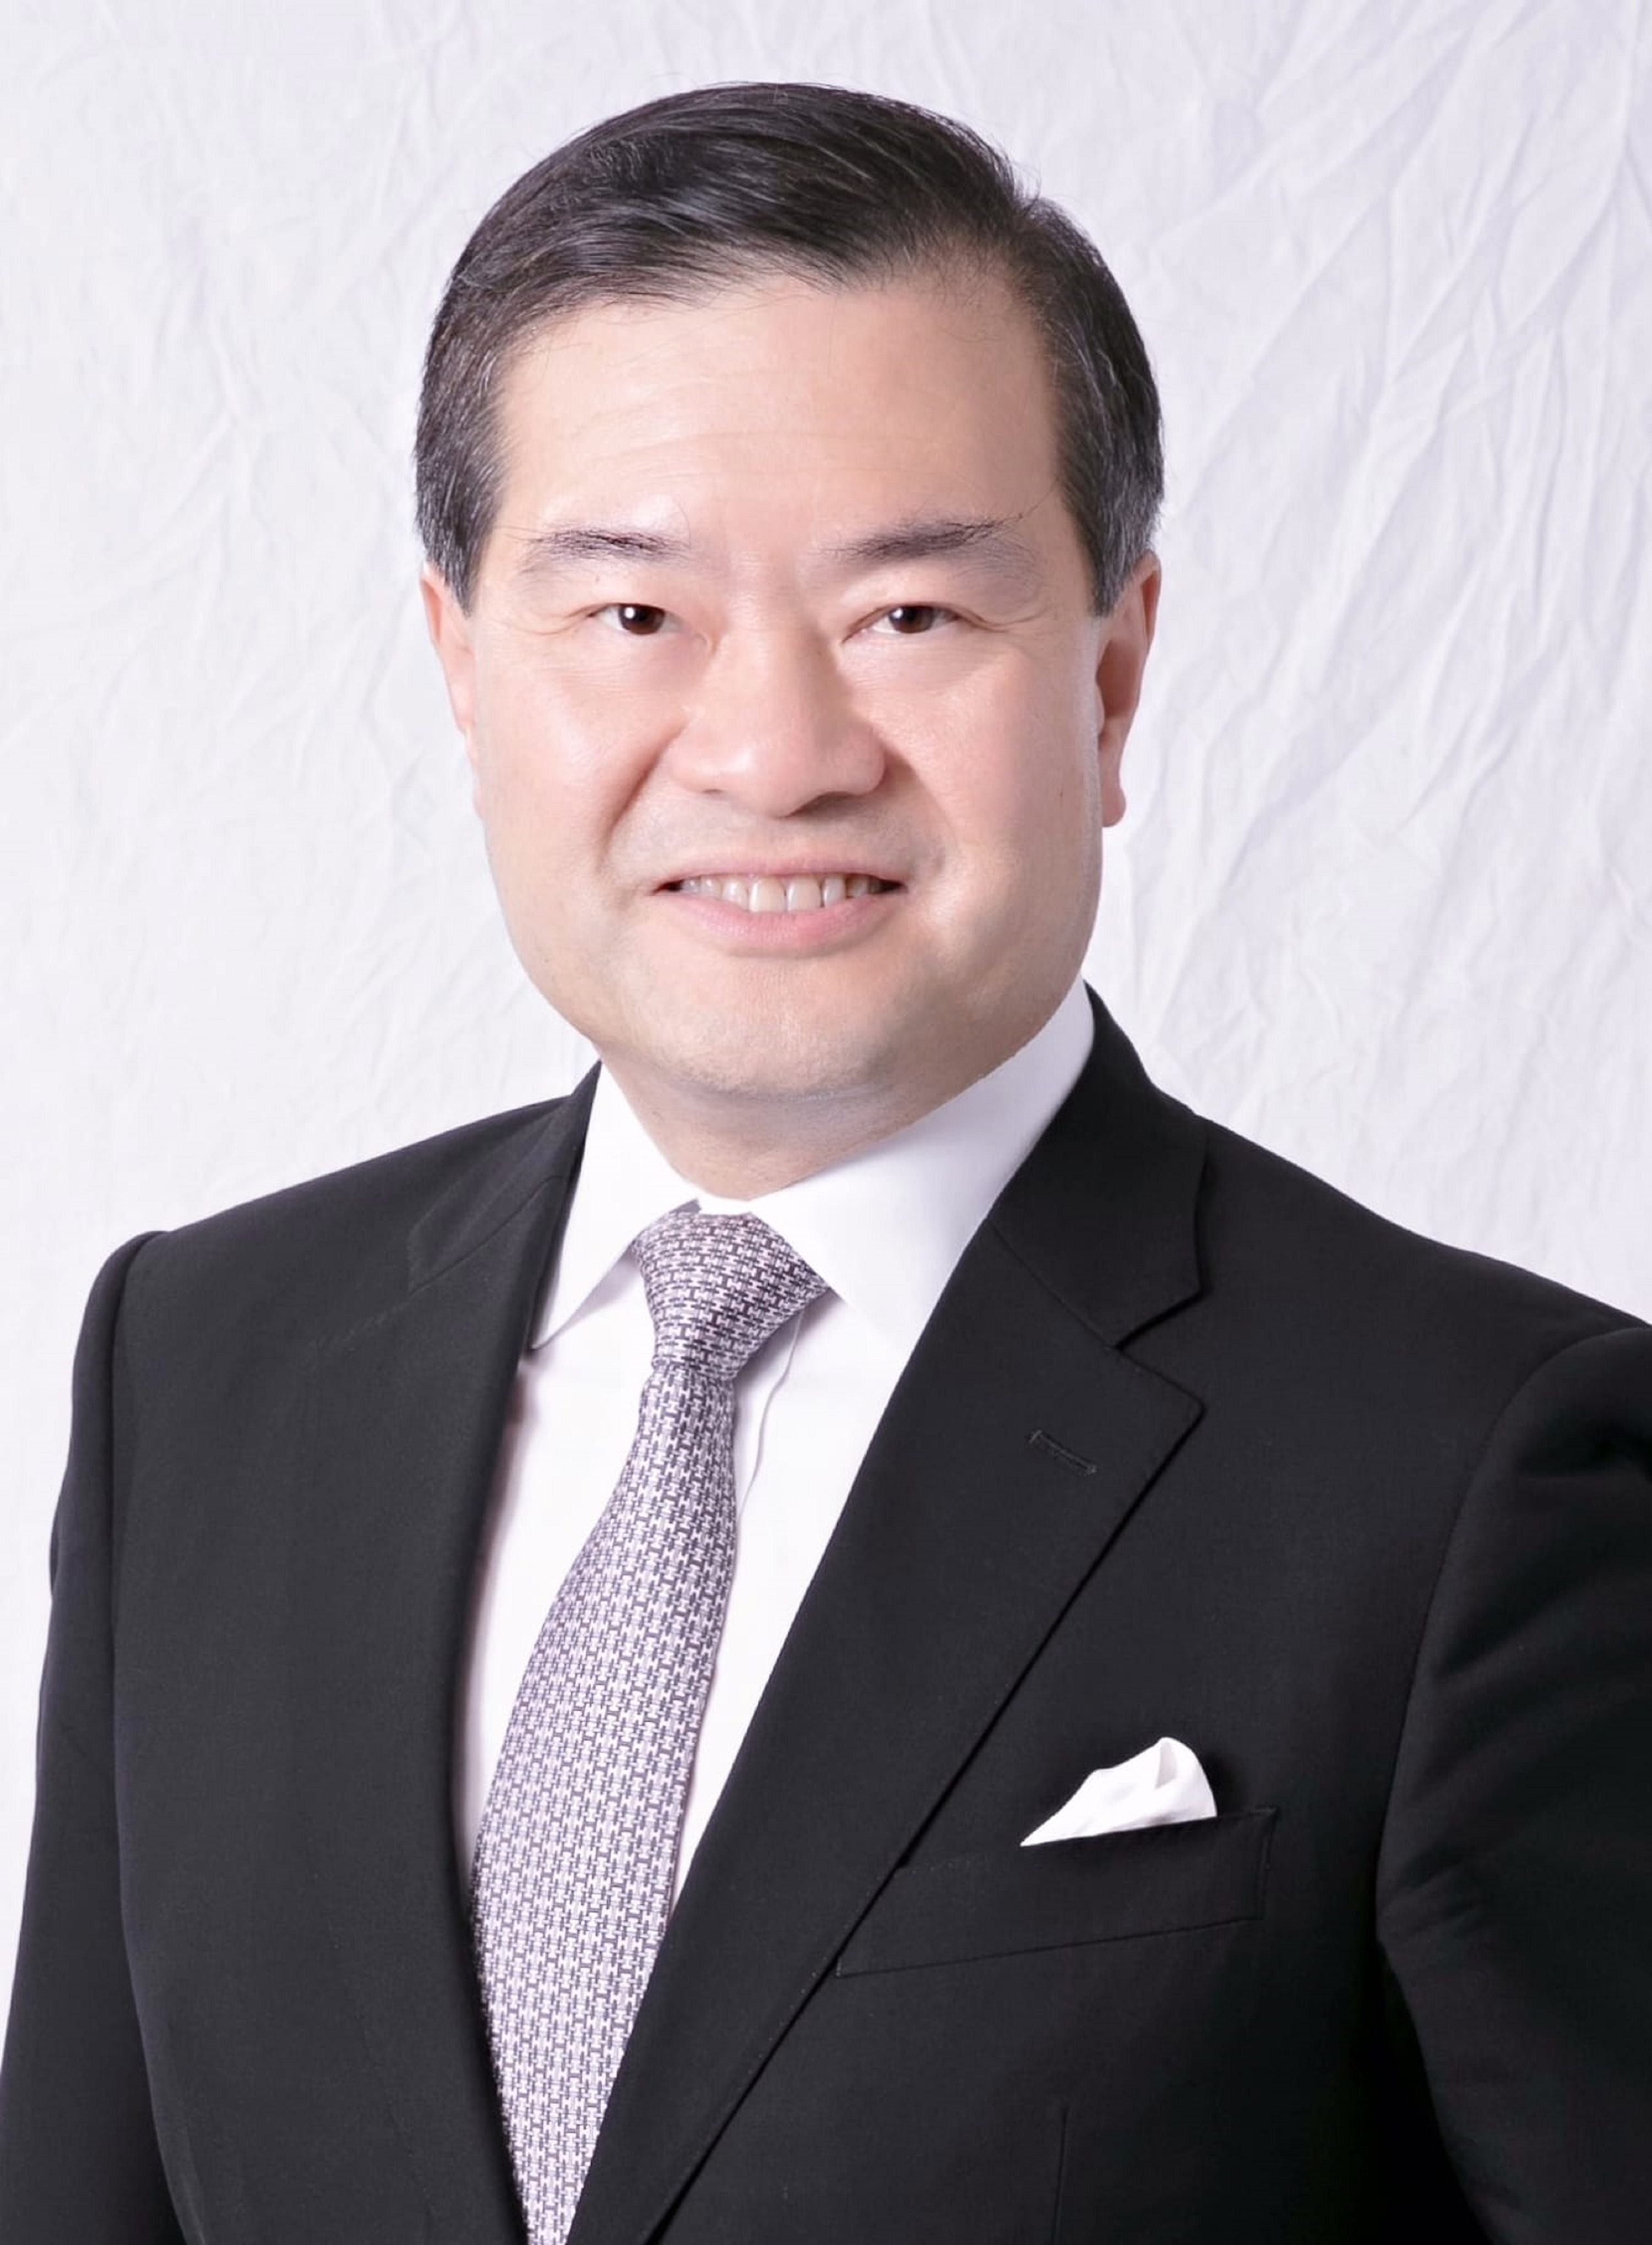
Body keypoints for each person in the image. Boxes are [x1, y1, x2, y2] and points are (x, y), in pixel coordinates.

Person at [2, 77, 1648, 2245]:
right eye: (633, 617)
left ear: (1113, 678)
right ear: (462, 670)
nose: (776, 755)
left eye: (910, 617)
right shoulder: (202, 1363)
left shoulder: (1484, 1467)